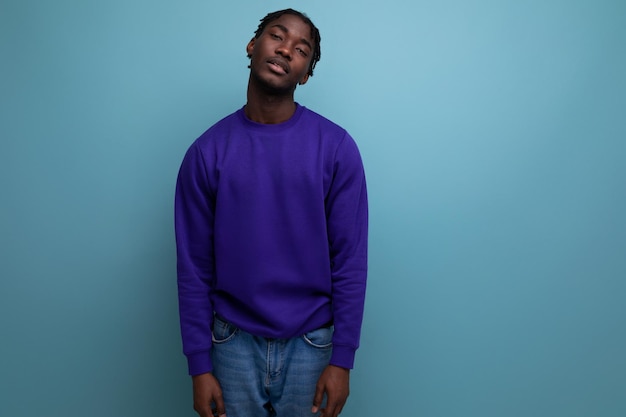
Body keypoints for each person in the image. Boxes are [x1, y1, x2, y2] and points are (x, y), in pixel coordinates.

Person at [175, 8, 368, 417]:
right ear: (253, 45)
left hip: (312, 345)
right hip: (232, 344)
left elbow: (350, 260)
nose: (285, 49)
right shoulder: (206, 153)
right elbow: (193, 266)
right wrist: (199, 365)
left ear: (306, 74)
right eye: (277, 36)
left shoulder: (336, 149)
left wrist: (342, 359)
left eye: (301, 49)